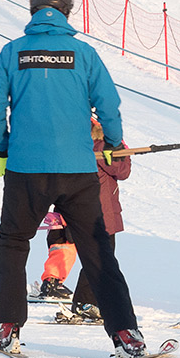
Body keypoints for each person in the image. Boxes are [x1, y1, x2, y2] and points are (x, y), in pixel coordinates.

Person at [0, 0, 146, 358]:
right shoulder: (83, 53)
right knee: (97, 249)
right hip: (78, 170)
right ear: (67, 11)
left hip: (25, 170)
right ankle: (126, 332)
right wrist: (115, 145)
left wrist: (3, 147)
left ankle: (6, 326)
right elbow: (109, 103)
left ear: (34, 11)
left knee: (14, 243)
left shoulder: (12, 52)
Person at [66, 118, 132, 319]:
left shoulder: (77, 142)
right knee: (100, 259)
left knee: (99, 258)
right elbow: (123, 171)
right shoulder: (101, 145)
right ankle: (86, 303)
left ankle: (87, 302)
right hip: (99, 213)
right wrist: (120, 149)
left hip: (88, 209)